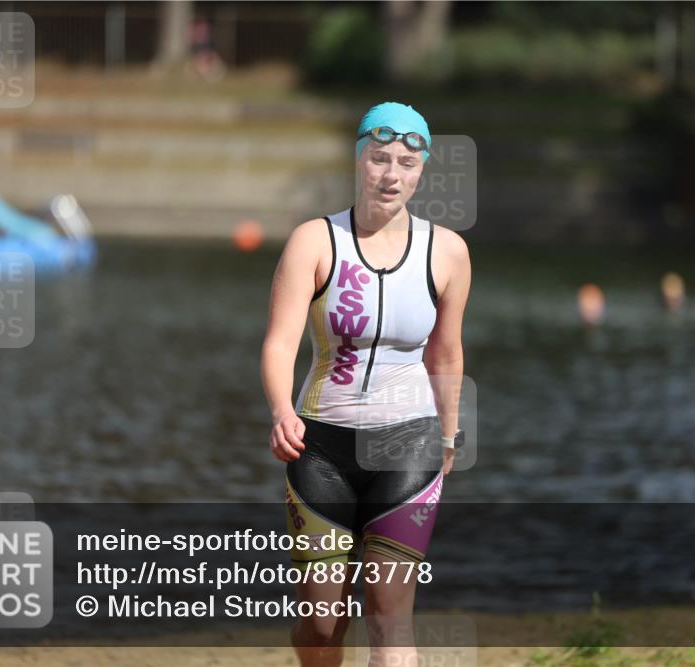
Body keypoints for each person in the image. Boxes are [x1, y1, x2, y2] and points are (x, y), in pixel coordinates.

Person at [261, 101, 471, 667]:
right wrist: (282, 409)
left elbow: (446, 352)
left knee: (389, 614)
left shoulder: (448, 251)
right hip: (320, 446)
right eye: (380, 159)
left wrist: (449, 436)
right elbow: (280, 342)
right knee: (324, 621)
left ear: (422, 171)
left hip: (410, 445)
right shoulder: (314, 240)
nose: (391, 174)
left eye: (406, 162)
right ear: (359, 160)